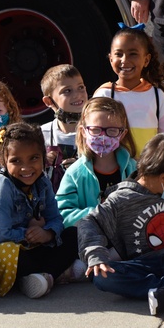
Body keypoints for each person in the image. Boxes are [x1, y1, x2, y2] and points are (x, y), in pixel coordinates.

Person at [77, 132, 164, 317]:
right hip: (143, 265)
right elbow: (89, 222)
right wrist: (95, 254)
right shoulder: (121, 199)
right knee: (101, 277)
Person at [0, 123, 79, 299]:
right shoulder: (1, 187)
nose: (26, 167)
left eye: (34, 158)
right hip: (4, 252)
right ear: (3, 161)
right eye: (16, 161)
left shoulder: (43, 181)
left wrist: (48, 233)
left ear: (43, 157)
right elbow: (0, 236)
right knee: (9, 252)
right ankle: (56, 272)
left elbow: (56, 218)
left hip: (34, 245)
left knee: (74, 234)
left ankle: (45, 277)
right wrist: (30, 234)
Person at [56, 97, 138, 229]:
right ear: (83, 131)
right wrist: (98, 214)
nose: (103, 138)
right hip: (91, 242)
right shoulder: (75, 173)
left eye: (111, 131)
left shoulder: (133, 169)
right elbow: (62, 214)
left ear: (122, 134)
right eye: (96, 130)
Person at [93, 26, 164, 155]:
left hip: (147, 169)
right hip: (114, 170)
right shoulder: (104, 95)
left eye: (133, 54)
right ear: (111, 59)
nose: (125, 60)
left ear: (146, 60)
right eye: (119, 54)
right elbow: (94, 135)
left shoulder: (158, 97)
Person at [40, 64, 88, 192]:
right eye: (67, 91)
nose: (78, 95)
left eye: (81, 87)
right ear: (49, 102)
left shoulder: (96, 131)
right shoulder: (40, 135)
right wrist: (42, 163)